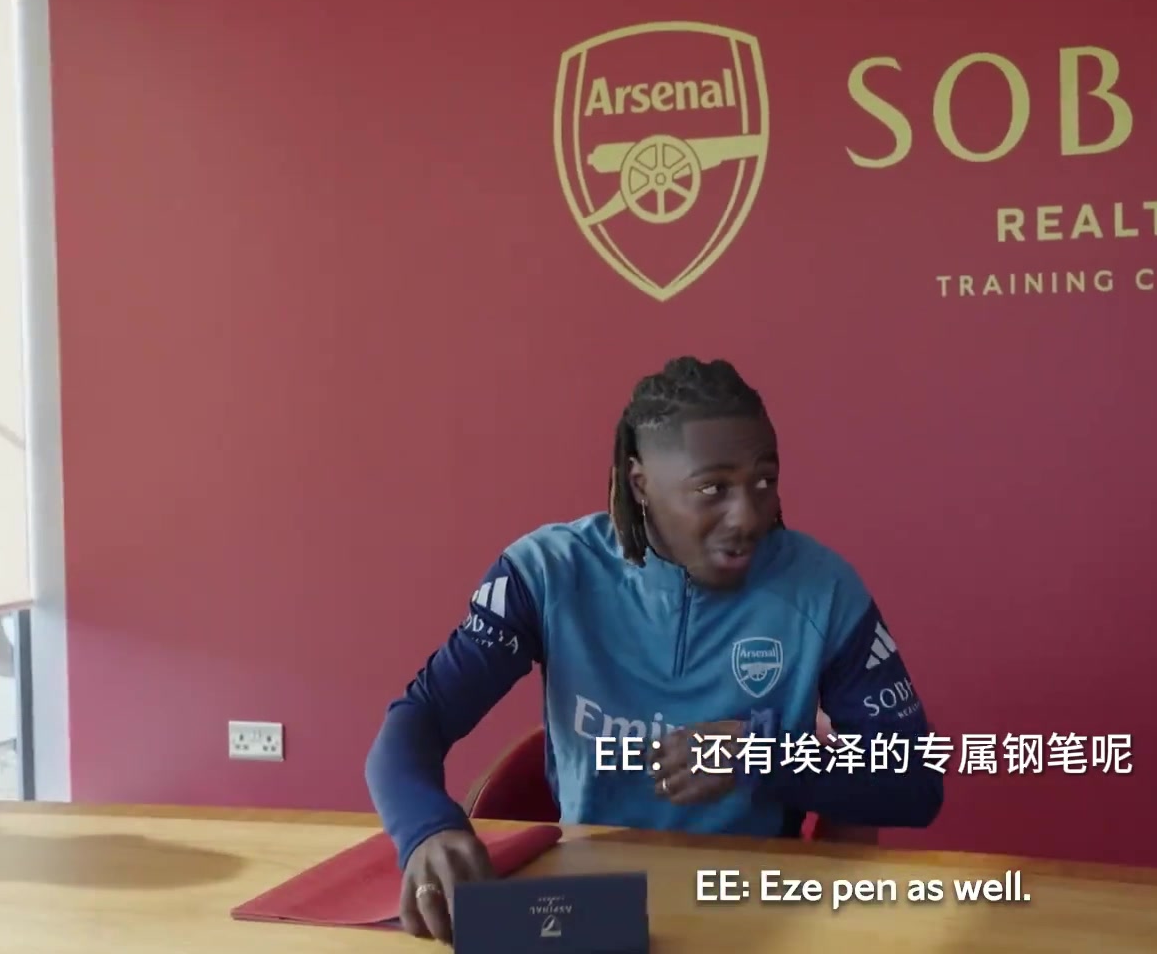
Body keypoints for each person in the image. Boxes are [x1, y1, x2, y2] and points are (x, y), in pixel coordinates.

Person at [364, 356, 943, 942]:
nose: (747, 516)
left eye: (764, 481)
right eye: (713, 488)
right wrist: (426, 829)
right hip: (588, 913)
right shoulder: (547, 573)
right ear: (641, 483)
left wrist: (765, 759)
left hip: (750, 909)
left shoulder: (823, 589)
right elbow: (417, 719)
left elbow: (916, 781)